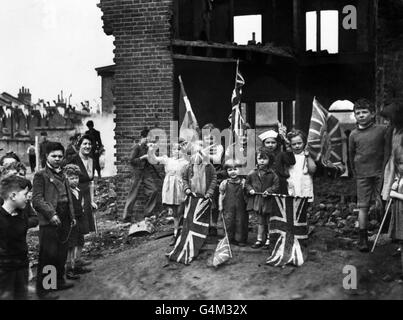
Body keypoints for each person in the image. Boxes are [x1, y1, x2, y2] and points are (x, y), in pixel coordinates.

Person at [32, 142, 76, 299]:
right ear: (46, 157)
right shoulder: (40, 175)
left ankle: (58, 280)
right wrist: (51, 214)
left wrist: (72, 216)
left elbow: (68, 197)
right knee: (49, 254)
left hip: (64, 216)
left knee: (61, 252)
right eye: (54, 156)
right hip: (50, 220)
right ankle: (46, 290)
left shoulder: (63, 174)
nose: (57, 159)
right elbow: (36, 200)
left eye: (60, 156)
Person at [348, 98, 388, 252]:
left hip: (380, 173)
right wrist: (355, 172)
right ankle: (362, 239)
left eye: (364, 112)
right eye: (358, 113)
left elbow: (388, 149)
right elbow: (351, 155)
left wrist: (386, 170)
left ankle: (386, 233)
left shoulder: (382, 130)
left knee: (384, 200)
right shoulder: (353, 134)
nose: (361, 115)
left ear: (372, 114)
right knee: (363, 206)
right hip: (362, 174)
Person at [0, 176, 38, 300]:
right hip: (4, 271)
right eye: (25, 194)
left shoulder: (21, 214)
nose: (28, 197)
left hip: (21, 265)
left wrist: (26, 266)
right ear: (13, 195)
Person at [148, 140, 188, 246]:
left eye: (179, 149)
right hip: (170, 187)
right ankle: (176, 234)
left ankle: (183, 233)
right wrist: (151, 150)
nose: (176, 151)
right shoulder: (168, 160)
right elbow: (154, 159)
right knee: (175, 212)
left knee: (181, 210)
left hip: (180, 186)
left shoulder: (186, 162)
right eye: (174, 149)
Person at [246, 149, 279, 249]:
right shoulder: (252, 173)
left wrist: (269, 191)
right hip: (258, 200)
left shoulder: (272, 174)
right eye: (260, 158)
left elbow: (276, 185)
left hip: (269, 201)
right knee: (260, 221)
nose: (262, 161)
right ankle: (259, 239)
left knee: (269, 221)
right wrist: (250, 189)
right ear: (256, 159)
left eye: (265, 159)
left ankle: (269, 239)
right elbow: (247, 183)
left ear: (270, 160)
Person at [63, 164, 92, 280]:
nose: (75, 180)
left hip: (80, 219)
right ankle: (69, 269)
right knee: (71, 244)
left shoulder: (78, 190)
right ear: (66, 178)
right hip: (71, 221)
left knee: (80, 240)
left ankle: (78, 262)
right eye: (71, 178)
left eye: (76, 178)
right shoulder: (66, 192)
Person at [123, 129, 158, 222]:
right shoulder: (136, 147)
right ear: (142, 138)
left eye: (149, 139)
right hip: (137, 172)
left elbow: (152, 160)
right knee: (133, 194)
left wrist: (151, 152)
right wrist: (143, 157)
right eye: (147, 138)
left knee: (154, 190)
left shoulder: (147, 147)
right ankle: (126, 217)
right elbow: (131, 161)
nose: (148, 140)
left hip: (146, 172)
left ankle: (148, 213)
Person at [67, 136, 98, 245]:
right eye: (84, 144)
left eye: (89, 144)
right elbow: (67, 178)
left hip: (87, 194)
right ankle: (72, 257)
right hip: (75, 194)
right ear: (79, 146)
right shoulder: (73, 159)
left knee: (84, 224)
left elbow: (91, 182)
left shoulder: (92, 160)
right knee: (76, 221)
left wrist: (92, 200)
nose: (87, 146)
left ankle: (78, 255)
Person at [182, 141, 217, 216]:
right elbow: (184, 178)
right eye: (195, 153)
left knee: (205, 213)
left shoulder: (209, 166)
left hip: (205, 195)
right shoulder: (189, 166)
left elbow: (214, 178)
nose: (197, 156)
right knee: (192, 212)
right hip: (193, 195)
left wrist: (210, 191)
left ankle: (207, 226)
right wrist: (186, 188)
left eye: (200, 153)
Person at [219, 159, 248, 246]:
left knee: (241, 221)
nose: (233, 172)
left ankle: (240, 239)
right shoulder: (225, 183)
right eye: (230, 170)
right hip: (228, 207)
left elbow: (247, 194)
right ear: (226, 171)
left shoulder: (243, 182)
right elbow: (221, 194)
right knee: (229, 221)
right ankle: (228, 238)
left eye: (235, 169)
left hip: (241, 206)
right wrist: (220, 205)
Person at [201, 123, 224, 236]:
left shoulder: (218, 147)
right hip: (201, 177)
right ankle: (204, 225)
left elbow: (217, 159)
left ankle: (213, 225)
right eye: (206, 137)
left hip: (214, 176)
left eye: (211, 137)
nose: (209, 140)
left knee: (213, 202)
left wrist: (204, 154)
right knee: (202, 202)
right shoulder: (201, 147)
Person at [258, 128, 295, 194]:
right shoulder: (261, 155)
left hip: (280, 182)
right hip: (266, 182)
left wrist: (288, 148)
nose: (270, 145)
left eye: (273, 142)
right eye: (267, 143)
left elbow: (291, 161)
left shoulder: (281, 154)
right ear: (264, 144)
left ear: (277, 144)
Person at [286, 130, 317, 201]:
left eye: (299, 143)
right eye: (294, 144)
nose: (297, 146)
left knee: (304, 204)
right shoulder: (288, 156)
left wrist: (308, 156)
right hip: (291, 183)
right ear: (290, 145)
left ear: (304, 143)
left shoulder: (306, 155)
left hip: (304, 183)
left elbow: (312, 170)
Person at [388, 147, 403, 280]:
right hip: (400, 214)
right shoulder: (401, 177)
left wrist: (396, 194)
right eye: (399, 163)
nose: (401, 166)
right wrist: (395, 183)